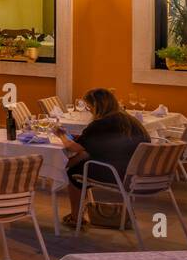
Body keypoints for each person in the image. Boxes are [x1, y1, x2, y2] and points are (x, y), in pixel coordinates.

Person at [55, 88, 150, 228]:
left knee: (73, 173)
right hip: (137, 170)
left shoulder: (101, 123)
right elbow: (97, 146)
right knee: (82, 163)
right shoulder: (129, 120)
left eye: (89, 106)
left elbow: (73, 148)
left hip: (119, 173)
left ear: (96, 106)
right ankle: (84, 210)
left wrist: (60, 134)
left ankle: (76, 217)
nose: (89, 110)